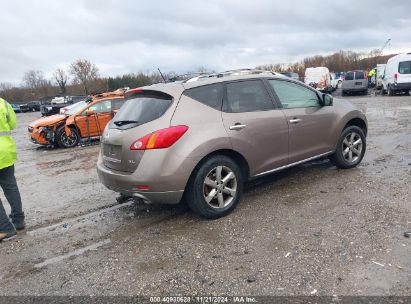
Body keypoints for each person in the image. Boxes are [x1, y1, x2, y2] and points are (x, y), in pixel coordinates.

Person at [0, 97, 25, 242]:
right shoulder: (3, 103)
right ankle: (18, 221)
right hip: (6, 151)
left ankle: (5, 228)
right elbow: (13, 124)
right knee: (10, 187)